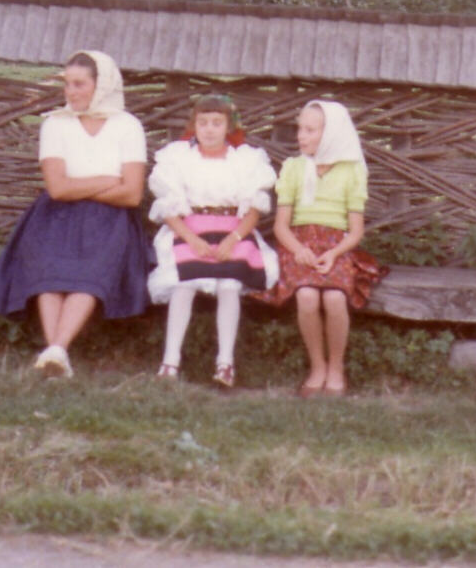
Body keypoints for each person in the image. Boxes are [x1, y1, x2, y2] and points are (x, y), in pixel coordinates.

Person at [0, 50, 150, 378]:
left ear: (102, 85)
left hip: (110, 218)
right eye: (67, 84)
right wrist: (106, 179)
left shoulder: (128, 126)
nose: (71, 92)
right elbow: (57, 189)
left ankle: (55, 350)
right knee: (49, 273)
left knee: (90, 273)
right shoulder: (56, 124)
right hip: (56, 215)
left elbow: (132, 194)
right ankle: (57, 352)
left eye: (79, 84)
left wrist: (81, 185)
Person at [146, 94, 277, 388]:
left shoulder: (245, 160)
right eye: (202, 123)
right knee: (185, 282)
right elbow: (169, 208)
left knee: (229, 284)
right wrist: (190, 238)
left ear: (229, 126)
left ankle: (225, 363)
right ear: (194, 125)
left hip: (234, 230)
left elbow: (254, 209)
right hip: (189, 229)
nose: (209, 129)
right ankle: (170, 361)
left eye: (217, 123)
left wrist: (234, 238)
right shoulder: (178, 158)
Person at [256, 100, 385, 397]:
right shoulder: (293, 168)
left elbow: (355, 231)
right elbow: (281, 227)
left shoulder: (351, 171)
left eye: (310, 130)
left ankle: (337, 367)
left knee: (336, 299)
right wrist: (298, 249)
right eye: (300, 129)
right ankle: (317, 366)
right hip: (298, 243)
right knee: (307, 295)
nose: (301, 136)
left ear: (331, 134)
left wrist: (335, 253)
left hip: (336, 246)